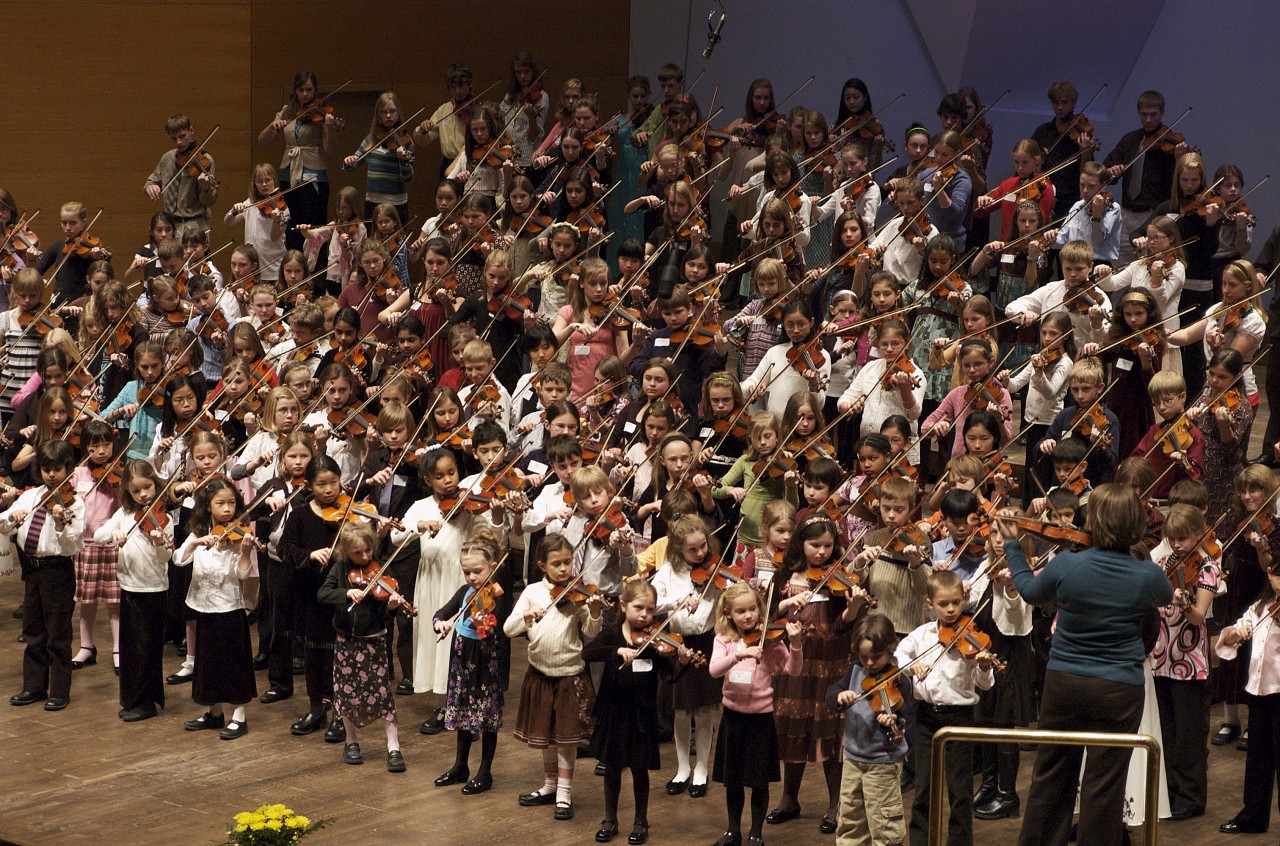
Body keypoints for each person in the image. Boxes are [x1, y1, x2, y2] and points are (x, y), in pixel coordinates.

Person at [993, 483, 1174, 846]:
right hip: (1120, 688)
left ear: (1092, 520)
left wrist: (1013, 546)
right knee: (1105, 784)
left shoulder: (1067, 564)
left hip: (1065, 681)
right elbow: (1165, 596)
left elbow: (1029, 591)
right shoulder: (1148, 574)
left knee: (1051, 774)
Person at [504, 534, 606, 822]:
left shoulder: (578, 594)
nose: (564, 569)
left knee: (566, 738)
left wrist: (595, 611)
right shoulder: (533, 591)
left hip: (569, 675)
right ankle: (549, 786)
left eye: (567, 562)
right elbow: (508, 629)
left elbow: (593, 633)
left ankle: (564, 792)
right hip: (539, 675)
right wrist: (527, 615)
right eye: (556, 564)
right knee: (547, 737)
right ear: (541, 565)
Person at [585, 577, 691, 844]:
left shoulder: (655, 643)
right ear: (623, 604)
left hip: (641, 716)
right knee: (612, 768)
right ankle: (610, 818)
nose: (645, 615)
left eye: (650, 610)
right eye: (638, 608)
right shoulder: (611, 634)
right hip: (613, 711)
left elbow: (670, 678)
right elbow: (588, 653)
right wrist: (616, 651)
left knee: (639, 770)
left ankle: (641, 820)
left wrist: (681, 662)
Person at [708, 581, 804, 846]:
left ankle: (756, 833)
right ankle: (732, 831)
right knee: (733, 780)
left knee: (759, 781)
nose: (748, 616)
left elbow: (793, 670)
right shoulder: (724, 639)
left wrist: (795, 644)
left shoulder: (771, 641)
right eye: (741, 611)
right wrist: (739, 654)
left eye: (752, 609)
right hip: (733, 718)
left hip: (761, 720)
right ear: (728, 614)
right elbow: (714, 670)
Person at [318, 522, 407, 772]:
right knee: (347, 693)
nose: (365, 557)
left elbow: (384, 611)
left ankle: (393, 746)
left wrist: (391, 607)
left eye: (368, 551)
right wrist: (346, 593)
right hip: (346, 639)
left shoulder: (379, 569)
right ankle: (351, 741)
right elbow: (323, 594)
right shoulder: (340, 568)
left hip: (374, 639)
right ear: (346, 551)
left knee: (381, 692)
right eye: (358, 553)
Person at [4, 440, 85, 712]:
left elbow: (74, 546)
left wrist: (62, 523)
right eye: (46, 469)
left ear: (68, 469)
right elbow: (3, 525)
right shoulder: (30, 496)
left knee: (57, 633)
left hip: (57, 571)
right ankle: (34, 687)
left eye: (57, 469)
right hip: (32, 569)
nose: (51, 475)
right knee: (33, 630)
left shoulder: (75, 503)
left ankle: (59, 691)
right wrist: (12, 517)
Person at [176, 477, 259, 740]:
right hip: (203, 605)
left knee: (233, 663)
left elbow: (244, 575)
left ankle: (239, 715)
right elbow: (178, 560)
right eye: (220, 504)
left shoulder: (238, 536)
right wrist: (194, 543)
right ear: (207, 506)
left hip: (229, 608)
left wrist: (245, 552)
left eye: (231, 503)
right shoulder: (199, 533)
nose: (227, 509)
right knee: (208, 662)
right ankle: (213, 713)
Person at [96, 460, 173, 721]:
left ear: (156, 484)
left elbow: (165, 559)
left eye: (148, 488)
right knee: (131, 649)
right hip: (129, 587)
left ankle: (146, 702)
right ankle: (132, 699)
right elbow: (98, 535)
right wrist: (115, 532)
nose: (143, 495)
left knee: (147, 648)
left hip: (153, 590)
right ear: (127, 491)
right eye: (136, 491)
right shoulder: (124, 515)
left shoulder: (165, 518)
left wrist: (160, 542)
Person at [827, 613, 910, 846]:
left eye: (876, 657)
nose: (870, 664)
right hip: (853, 759)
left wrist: (894, 720)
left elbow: (907, 719)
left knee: (884, 826)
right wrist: (840, 697)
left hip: (882, 762)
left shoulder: (899, 680)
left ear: (891, 649)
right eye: (864, 657)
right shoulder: (855, 670)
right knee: (850, 822)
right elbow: (832, 693)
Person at [1214, 562, 1280, 835]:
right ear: (1269, 574)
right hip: (1260, 691)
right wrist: (1235, 634)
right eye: (1278, 575)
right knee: (1258, 758)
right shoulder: (1260, 607)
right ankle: (1253, 816)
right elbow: (1231, 634)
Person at [1100, 90, 1187, 265]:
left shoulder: (1172, 145)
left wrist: (1179, 160)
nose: (1148, 120)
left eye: (1153, 115)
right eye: (1144, 115)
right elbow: (1104, 170)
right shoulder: (1129, 140)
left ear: (1161, 113)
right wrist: (1111, 171)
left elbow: (1182, 183)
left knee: (1149, 265)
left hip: (1152, 215)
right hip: (1126, 214)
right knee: (1121, 266)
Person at [258, 70, 339, 250]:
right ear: (295, 90)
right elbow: (262, 140)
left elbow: (329, 150)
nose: (305, 94)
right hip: (288, 172)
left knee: (313, 226)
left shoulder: (321, 113)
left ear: (315, 90)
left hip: (314, 175)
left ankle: (316, 271)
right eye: (301, 90)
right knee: (292, 224)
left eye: (309, 90)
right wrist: (273, 127)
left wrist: (329, 127)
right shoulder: (287, 111)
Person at [143, 113, 218, 234]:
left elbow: (210, 201)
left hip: (195, 226)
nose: (179, 142)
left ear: (191, 130)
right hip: (169, 226)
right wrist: (150, 186)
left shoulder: (205, 161)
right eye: (174, 138)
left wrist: (206, 188)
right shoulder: (167, 158)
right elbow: (151, 181)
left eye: (182, 136)